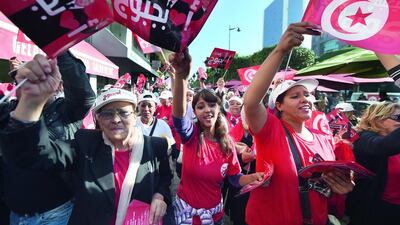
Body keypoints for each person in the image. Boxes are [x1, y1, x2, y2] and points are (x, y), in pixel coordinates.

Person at [0, 60, 173, 225]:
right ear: (97, 118)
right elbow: (37, 153)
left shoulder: (156, 146)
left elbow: (164, 178)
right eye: (107, 113)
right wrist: (31, 105)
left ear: (135, 115)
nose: (115, 119)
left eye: (123, 113)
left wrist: (159, 195)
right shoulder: (86, 143)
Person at [243, 22, 354, 225]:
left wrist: (342, 187)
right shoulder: (271, 130)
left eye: (307, 94)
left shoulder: (323, 138)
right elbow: (250, 102)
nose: (305, 99)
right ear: (279, 105)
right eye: (295, 96)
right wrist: (280, 50)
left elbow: (328, 185)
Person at [170, 49, 263, 225]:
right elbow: (178, 118)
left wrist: (252, 178)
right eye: (200, 106)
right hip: (187, 216)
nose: (207, 110)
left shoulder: (227, 142)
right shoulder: (191, 136)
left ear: (219, 109)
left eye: (212, 105)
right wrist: (181, 76)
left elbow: (234, 177)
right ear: (195, 112)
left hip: (215, 216)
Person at [0, 52, 96, 225]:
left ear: (57, 86)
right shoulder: (7, 113)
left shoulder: (65, 111)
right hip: (14, 215)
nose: (30, 86)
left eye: (37, 79)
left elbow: (83, 95)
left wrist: (59, 49)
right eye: (23, 80)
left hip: (56, 214)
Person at [346, 102, 400, 225]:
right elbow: (383, 146)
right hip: (376, 211)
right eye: (398, 117)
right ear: (378, 119)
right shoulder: (363, 138)